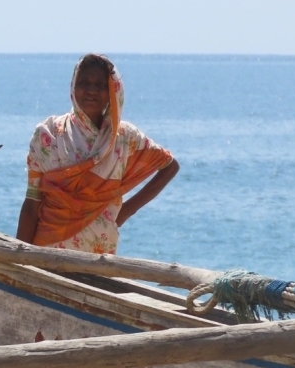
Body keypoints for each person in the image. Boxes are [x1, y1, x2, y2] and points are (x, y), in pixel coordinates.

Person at [16, 54, 179, 253]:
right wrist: (19, 259)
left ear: (112, 92)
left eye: (100, 85)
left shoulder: (124, 137)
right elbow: (33, 202)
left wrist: (124, 213)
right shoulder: (48, 134)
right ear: (73, 86)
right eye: (84, 82)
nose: (91, 90)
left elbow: (169, 166)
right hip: (48, 251)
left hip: (99, 254)